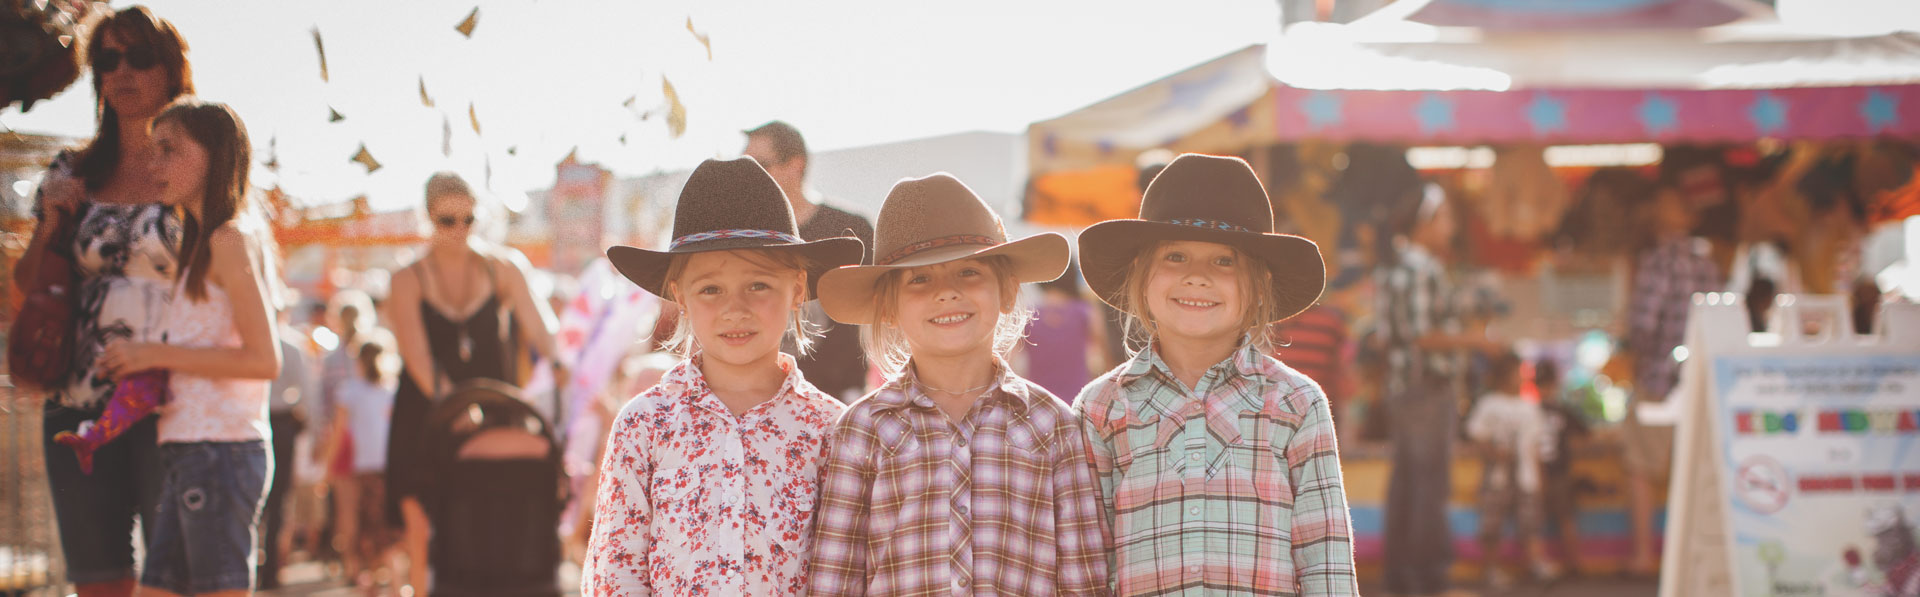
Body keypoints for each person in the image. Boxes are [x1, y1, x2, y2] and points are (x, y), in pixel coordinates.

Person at [806, 172, 1105, 596]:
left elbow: (1083, 580)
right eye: (919, 279)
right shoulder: (861, 430)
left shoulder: (1053, 426)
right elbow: (834, 582)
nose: (946, 292)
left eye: (968, 272)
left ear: (1006, 291)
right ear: (888, 306)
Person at [1075, 153, 1356, 596]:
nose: (1198, 277)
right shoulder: (1101, 407)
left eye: (1224, 261)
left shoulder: (1296, 403)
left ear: (1258, 286)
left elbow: (1326, 559)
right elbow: (1087, 562)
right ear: (1141, 278)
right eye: (1176, 256)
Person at [582, 157, 862, 595]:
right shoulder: (645, 425)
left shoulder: (834, 429)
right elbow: (616, 572)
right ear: (680, 295)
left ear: (799, 289)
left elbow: (848, 574)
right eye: (711, 288)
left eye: (759, 285)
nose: (736, 308)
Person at [19, 7, 191, 596]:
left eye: (139, 57)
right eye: (108, 59)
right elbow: (28, 282)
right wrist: (52, 222)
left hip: (176, 400)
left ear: (171, 70)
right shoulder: (71, 171)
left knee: (177, 579)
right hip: (78, 398)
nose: (122, 71)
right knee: (97, 581)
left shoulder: (200, 170)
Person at [93, 99, 281, 597]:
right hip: (193, 448)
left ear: (215, 154)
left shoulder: (229, 238)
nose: (154, 164)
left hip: (218, 450)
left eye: (169, 150)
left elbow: (265, 361)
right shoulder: (201, 241)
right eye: (153, 150)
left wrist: (154, 356)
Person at [385, 171, 563, 595]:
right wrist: (457, 406)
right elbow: (417, 357)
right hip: (426, 411)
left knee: (488, 517)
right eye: (448, 221)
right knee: (420, 522)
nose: (460, 230)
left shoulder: (503, 267)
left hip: (494, 411)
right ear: (428, 218)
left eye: (469, 219)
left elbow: (541, 329)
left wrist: (558, 363)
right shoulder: (406, 279)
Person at [1376, 184, 1497, 597]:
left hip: (1405, 389)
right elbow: (1422, 334)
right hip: (1426, 390)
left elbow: (1392, 335)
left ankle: (1402, 580)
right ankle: (1429, 581)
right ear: (1425, 224)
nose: (1452, 226)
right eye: (1445, 218)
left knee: (1408, 486)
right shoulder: (1421, 268)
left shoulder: (1396, 266)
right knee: (1429, 486)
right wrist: (1475, 341)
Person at [1622, 187, 1723, 576]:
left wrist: (1637, 354)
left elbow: (1643, 325)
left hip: (1657, 380)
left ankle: (1643, 554)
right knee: (1694, 468)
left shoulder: (1658, 261)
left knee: (1641, 466)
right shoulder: (1707, 262)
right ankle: (1696, 555)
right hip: (1698, 382)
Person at [743, 120, 876, 401]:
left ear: (795, 165)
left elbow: (883, 309)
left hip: (841, 396)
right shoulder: (744, 239)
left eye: (760, 165)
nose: (749, 177)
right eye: (744, 168)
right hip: (765, 398)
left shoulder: (850, 228)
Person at [1463, 351, 1554, 589]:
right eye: (1518, 373)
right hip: (1496, 478)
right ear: (1504, 375)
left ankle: (1535, 563)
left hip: (1526, 478)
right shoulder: (1489, 404)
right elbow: (1477, 436)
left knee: (1531, 522)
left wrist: (1540, 478)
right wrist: (1493, 453)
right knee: (1492, 524)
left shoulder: (1530, 408)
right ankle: (1491, 568)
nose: (1523, 378)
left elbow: (1537, 447)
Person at [328, 329, 399, 589]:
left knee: (355, 521)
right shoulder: (391, 390)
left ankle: (358, 573)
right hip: (385, 465)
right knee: (383, 523)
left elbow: (338, 432)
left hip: (360, 465)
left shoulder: (350, 391)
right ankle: (389, 579)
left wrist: (329, 465)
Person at [259, 301, 319, 589]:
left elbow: (307, 395)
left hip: (270, 422)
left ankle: (265, 566)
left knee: (267, 496)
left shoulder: (290, 344)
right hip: (278, 424)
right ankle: (269, 568)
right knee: (277, 497)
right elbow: (306, 395)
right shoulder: (291, 345)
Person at [1017, 259, 1109, 401]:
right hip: (1078, 399)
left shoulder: (1027, 317)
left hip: (1037, 402)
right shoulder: (1085, 312)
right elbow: (1103, 358)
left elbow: (1010, 363)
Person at [1534, 358, 1589, 575]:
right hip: (1558, 472)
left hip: (1539, 472)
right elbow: (1586, 435)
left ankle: (1543, 563)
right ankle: (1574, 562)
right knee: (1566, 518)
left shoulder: (1532, 410)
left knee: (1540, 520)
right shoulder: (1564, 410)